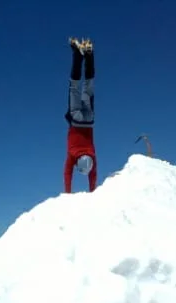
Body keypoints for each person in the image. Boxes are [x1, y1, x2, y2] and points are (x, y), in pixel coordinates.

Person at [64, 37, 97, 193]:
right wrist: (68, 192)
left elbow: (93, 175)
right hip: (76, 120)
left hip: (89, 120)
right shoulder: (73, 155)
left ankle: (89, 54)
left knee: (88, 88)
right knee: (75, 87)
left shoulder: (92, 156)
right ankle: (77, 54)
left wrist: (92, 189)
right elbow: (67, 173)